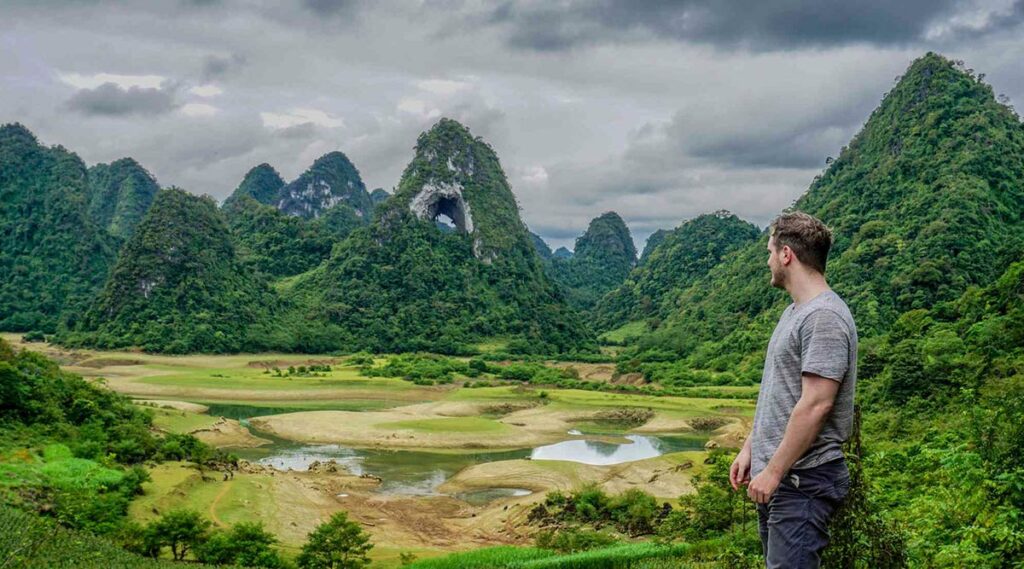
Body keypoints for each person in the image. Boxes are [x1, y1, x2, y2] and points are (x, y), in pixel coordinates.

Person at [729, 211, 857, 569]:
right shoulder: (795, 313)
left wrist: (773, 471)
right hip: (784, 477)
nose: (767, 261)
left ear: (787, 254)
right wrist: (751, 449)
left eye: (770, 251)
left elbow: (816, 405)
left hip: (803, 479)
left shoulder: (823, 317)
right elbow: (779, 393)